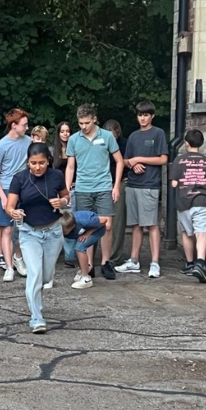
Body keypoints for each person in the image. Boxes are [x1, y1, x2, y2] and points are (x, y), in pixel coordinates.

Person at [4, 143, 71, 333]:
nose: (37, 167)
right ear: (28, 162)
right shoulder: (20, 178)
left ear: (48, 161)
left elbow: (67, 197)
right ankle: (36, 318)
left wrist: (62, 201)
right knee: (34, 274)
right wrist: (14, 212)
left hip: (53, 232)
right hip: (29, 233)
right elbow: (9, 206)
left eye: (41, 163)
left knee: (46, 276)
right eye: (33, 163)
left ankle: (37, 303)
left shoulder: (56, 176)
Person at [65, 104, 123, 281]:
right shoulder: (74, 139)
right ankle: (88, 264)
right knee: (86, 226)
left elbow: (119, 161)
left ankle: (106, 262)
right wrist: (66, 190)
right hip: (83, 188)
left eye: (87, 123)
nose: (84, 126)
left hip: (104, 186)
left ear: (94, 119)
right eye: (81, 123)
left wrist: (116, 186)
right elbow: (70, 166)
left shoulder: (107, 136)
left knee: (107, 225)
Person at [116, 101, 169, 278]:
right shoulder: (133, 136)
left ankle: (155, 263)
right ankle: (134, 260)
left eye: (146, 115)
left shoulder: (158, 133)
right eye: (140, 115)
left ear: (152, 116)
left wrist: (139, 159)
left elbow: (163, 159)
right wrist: (132, 164)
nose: (143, 118)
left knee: (151, 225)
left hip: (150, 185)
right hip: (133, 184)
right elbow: (125, 160)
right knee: (135, 225)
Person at [169, 129, 206, 283]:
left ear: (186, 143)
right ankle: (200, 263)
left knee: (187, 233)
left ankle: (190, 263)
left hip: (184, 202)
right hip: (203, 201)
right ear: (201, 143)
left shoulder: (179, 161)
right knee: (202, 233)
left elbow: (174, 184)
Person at [0, 108, 31, 282]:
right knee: (6, 229)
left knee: (22, 228)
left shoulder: (29, 141)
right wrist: (2, 196)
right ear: (14, 126)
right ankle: (8, 267)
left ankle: (18, 257)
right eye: (24, 125)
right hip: (7, 188)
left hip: (24, 189)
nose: (27, 128)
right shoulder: (1, 145)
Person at [103, 119, 128, 267]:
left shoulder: (124, 144)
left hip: (119, 183)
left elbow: (128, 162)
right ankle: (100, 257)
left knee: (117, 222)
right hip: (102, 184)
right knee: (100, 222)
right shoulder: (99, 144)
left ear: (118, 133)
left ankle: (114, 257)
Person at [60, 209, 106, 290]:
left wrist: (88, 233)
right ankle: (84, 269)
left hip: (96, 230)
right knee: (72, 253)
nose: (61, 232)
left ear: (72, 227)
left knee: (79, 247)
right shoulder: (60, 224)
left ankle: (86, 278)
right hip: (81, 232)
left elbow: (104, 220)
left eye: (63, 231)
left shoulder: (84, 221)